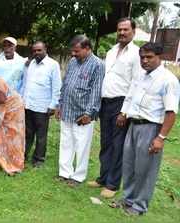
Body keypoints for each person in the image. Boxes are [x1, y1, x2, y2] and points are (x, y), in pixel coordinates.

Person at [110, 42, 180, 216]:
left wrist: (161, 138)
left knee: (145, 169)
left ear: (160, 57)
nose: (145, 61)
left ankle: (139, 206)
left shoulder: (168, 80)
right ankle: (127, 199)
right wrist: (123, 113)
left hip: (151, 129)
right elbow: (130, 96)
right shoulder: (140, 76)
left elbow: (171, 112)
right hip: (133, 125)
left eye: (149, 57)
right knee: (129, 165)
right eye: (142, 57)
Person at [88, 18, 143, 198]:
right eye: (119, 29)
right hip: (106, 102)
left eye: (125, 30)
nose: (121, 33)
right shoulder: (111, 51)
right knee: (106, 143)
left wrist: (124, 111)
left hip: (121, 104)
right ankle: (103, 178)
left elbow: (136, 84)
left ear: (133, 31)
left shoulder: (136, 53)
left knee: (117, 145)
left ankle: (112, 184)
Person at [56, 35, 105, 186]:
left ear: (87, 48)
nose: (73, 54)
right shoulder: (72, 62)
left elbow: (96, 91)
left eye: (77, 51)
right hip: (67, 109)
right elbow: (65, 84)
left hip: (83, 114)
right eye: (73, 51)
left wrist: (89, 113)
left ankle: (78, 176)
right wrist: (60, 105)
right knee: (66, 142)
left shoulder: (98, 64)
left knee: (82, 145)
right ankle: (65, 173)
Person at [22, 41, 61, 167]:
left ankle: (39, 160)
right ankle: (23, 155)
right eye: (34, 51)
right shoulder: (30, 64)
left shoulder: (53, 65)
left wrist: (53, 105)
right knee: (27, 133)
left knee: (41, 135)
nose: (36, 53)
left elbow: (56, 86)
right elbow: (25, 83)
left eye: (39, 50)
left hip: (43, 107)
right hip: (28, 105)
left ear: (45, 49)